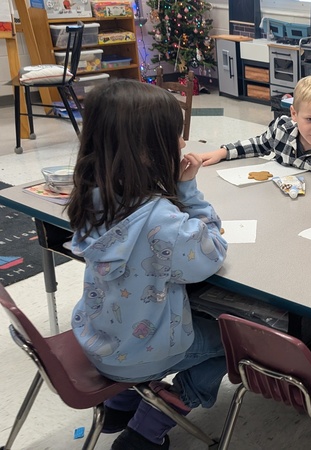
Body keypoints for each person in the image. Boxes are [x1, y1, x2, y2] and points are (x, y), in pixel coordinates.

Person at [67, 80, 228, 450]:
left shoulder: (92, 195)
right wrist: (188, 190)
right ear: (145, 150)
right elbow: (212, 250)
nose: (183, 144)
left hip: (98, 339)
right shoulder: (160, 219)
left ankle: (121, 401)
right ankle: (153, 422)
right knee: (234, 342)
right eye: (175, 135)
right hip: (144, 354)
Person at [199, 74, 311, 186]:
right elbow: (258, 145)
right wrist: (223, 153)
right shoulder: (283, 128)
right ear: (294, 114)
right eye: (309, 119)